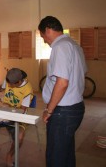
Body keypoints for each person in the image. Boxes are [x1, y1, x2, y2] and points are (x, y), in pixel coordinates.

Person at [38, 16, 87, 167]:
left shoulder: (60, 47)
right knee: (66, 153)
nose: (45, 41)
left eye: (43, 36)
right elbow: (83, 72)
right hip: (75, 107)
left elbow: (62, 82)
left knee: (55, 156)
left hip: (62, 111)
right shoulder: (74, 45)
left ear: (48, 30)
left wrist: (49, 110)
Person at [0, 68, 33, 167]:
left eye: (12, 84)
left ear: (19, 81)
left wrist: (6, 106)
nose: (9, 86)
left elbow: (22, 110)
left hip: (19, 116)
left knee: (19, 137)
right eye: (8, 83)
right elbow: (1, 88)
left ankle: (9, 154)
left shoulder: (28, 90)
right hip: (4, 111)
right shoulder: (9, 79)